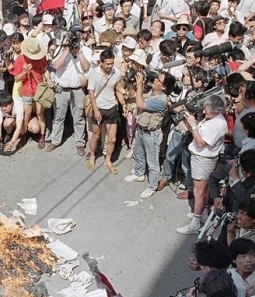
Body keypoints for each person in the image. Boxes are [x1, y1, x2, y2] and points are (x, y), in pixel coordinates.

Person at [177, 95, 229, 235]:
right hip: (199, 157)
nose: (204, 112)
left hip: (204, 159)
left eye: (206, 109)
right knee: (202, 190)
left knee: (198, 191)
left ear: (216, 110)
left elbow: (200, 142)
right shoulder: (210, 118)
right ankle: (202, 214)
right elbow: (196, 133)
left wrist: (193, 124)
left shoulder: (218, 124)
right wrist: (187, 121)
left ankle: (195, 222)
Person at [123, 63, 174, 198]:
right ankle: (139, 173)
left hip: (152, 134)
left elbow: (140, 104)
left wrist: (140, 85)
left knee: (152, 162)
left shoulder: (161, 100)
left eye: (158, 80)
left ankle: (152, 186)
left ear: (163, 87)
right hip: (141, 129)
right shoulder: (153, 92)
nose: (155, 80)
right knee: (138, 154)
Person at [86, 48, 122, 174]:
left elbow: (117, 87)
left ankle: (108, 160)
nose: (110, 66)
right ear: (101, 62)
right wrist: (96, 110)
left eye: (111, 63)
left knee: (112, 139)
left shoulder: (116, 73)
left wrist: (122, 101)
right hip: (99, 107)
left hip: (112, 107)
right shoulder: (94, 73)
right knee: (96, 134)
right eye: (107, 63)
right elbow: (91, 92)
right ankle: (92, 156)